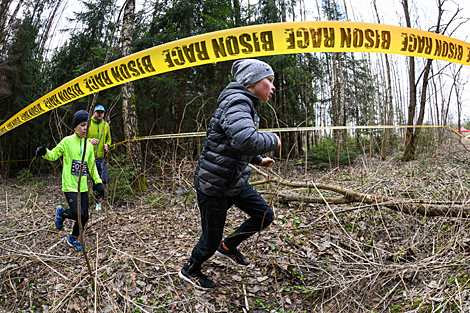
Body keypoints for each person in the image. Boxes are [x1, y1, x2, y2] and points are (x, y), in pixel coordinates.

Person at [179, 59, 281, 289]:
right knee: (210, 238)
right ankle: (190, 269)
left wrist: (257, 159)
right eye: (269, 80)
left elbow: (233, 144)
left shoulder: (245, 104)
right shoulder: (237, 102)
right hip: (215, 185)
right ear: (252, 82)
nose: (273, 87)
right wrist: (273, 140)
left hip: (234, 180)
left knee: (264, 215)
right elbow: (246, 139)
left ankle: (228, 246)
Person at [35, 110, 105, 250]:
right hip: (70, 186)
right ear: (75, 126)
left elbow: (91, 167)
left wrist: (98, 182)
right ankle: (61, 213)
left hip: (83, 187)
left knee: (84, 216)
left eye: (87, 125)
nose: (85, 128)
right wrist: (44, 152)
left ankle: (73, 239)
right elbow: (54, 155)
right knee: (77, 213)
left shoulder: (89, 146)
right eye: (82, 125)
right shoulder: (67, 141)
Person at [87, 104, 111, 211]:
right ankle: (98, 203)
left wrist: (107, 144)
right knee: (95, 181)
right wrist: (89, 141)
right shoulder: (87, 123)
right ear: (94, 113)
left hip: (101, 158)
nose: (100, 114)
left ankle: (101, 199)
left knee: (105, 179)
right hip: (90, 158)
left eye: (102, 112)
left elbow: (109, 138)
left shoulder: (106, 125)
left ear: (104, 114)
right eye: (98, 112)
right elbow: (82, 138)